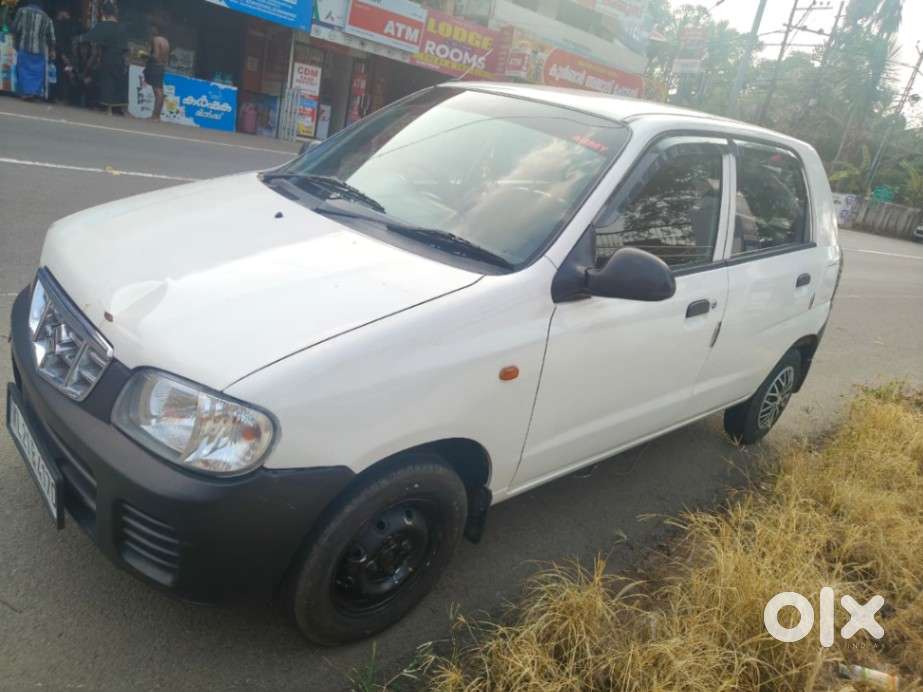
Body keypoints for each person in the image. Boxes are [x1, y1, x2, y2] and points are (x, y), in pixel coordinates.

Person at [80, 0, 127, 108]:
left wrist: (87, 68)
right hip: (120, 63)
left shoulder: (102, 26)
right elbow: (126, 51)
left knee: (102, 84)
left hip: (107, 62)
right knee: (116, 88)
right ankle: (116, 109)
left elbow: (86, 40)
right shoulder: (122, 29)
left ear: (103, 12)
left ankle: (102, 108)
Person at [12, 0, 56, 101]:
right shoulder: (46, 17)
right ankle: (34, 92)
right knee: (36, 72)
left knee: (23, 69)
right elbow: (52, 36)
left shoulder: (22, 11)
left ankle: (27, 93)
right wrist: (52, 50)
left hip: (24, 46)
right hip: (39, 50)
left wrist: (15, 40)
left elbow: (15, 28)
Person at [53, 8, 78, 103]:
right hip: (61, 56)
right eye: (67, 13)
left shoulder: (64, 24)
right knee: (61, 77)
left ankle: (63, 98)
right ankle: (58, 97)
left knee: (66, 76)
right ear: (61, 12)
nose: (68, 16)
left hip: (65, 56)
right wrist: (64, 56)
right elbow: (59, 42)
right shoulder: (58, 25)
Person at [144, 23, 169, 120]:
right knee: (160, 92)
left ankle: (155, 116)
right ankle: (157, 116)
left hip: (155, 67)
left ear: (156, 30)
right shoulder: (165, 41)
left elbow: (156, 56)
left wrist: (144, 55)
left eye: (152, 29)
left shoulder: (156, 40)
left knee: (157, 92)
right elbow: (165, 58)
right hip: (161, 67)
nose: (150, 31)